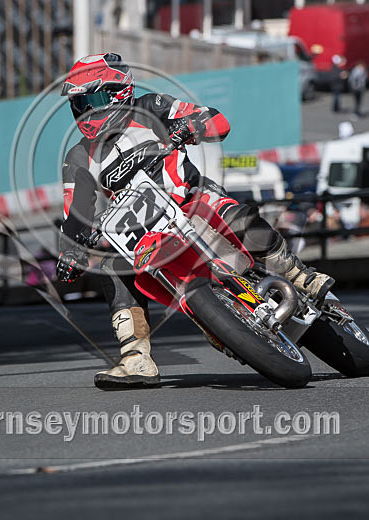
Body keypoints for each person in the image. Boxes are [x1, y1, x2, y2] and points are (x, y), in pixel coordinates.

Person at [55, 53, 335, 388]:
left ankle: (299, 275)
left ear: (119, 92)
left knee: (228, 211)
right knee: (110, 267)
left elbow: (216, 120)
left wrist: (192, 124)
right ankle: (136, 358)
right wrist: (70, 249)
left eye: (94, 99)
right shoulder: (77, 159)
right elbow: (76, 213)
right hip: (144, 234)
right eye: (79, 103)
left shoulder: (150, 106)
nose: (87, 111)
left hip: (192, 200)